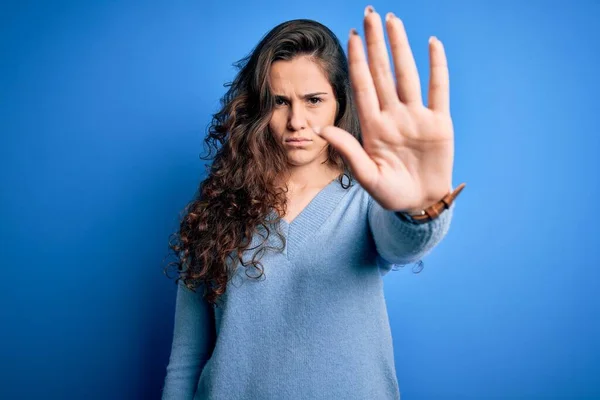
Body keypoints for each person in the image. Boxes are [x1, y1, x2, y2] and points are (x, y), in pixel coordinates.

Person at [161, 6, 465, 400]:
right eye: (279, 101)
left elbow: (404, 242)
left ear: (339, 103)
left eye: (314, 100)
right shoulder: (213, 208)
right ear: (258, 106)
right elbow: (187, 356)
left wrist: (420, 208)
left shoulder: (367, 201)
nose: (296, 121)